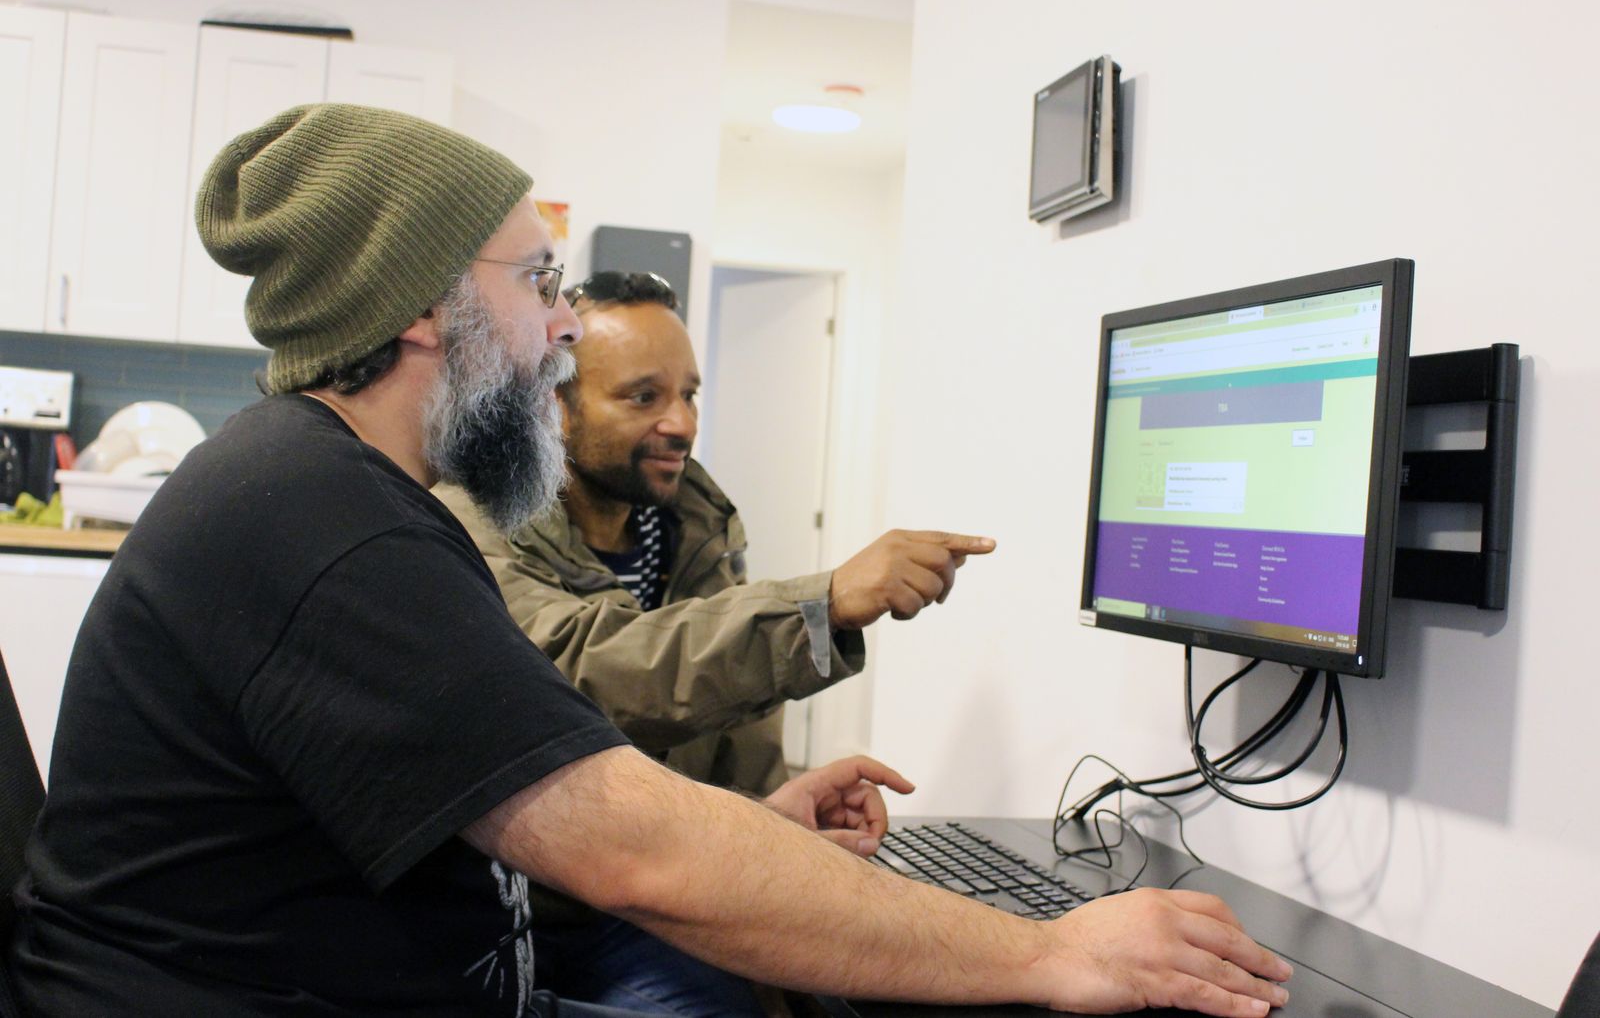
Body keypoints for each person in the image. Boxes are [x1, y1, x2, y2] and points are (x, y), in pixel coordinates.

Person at [7, 104, 1293, 1018]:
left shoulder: (340, 490)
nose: (563, 326)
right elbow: (635, 850)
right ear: (421, 308)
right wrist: (1052, 950)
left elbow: (539, 797)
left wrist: (753, 829)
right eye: (536, 279)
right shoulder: (322, 523)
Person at [435, 269, 991, 797]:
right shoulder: (473, 521)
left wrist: (780, 818)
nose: (682, 424)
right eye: (643, 397)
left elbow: (740, 723)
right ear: (556, 406)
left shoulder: (699, 530)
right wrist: (822, 604)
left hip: (687, 857)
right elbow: (586, 670)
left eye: (689, 395)